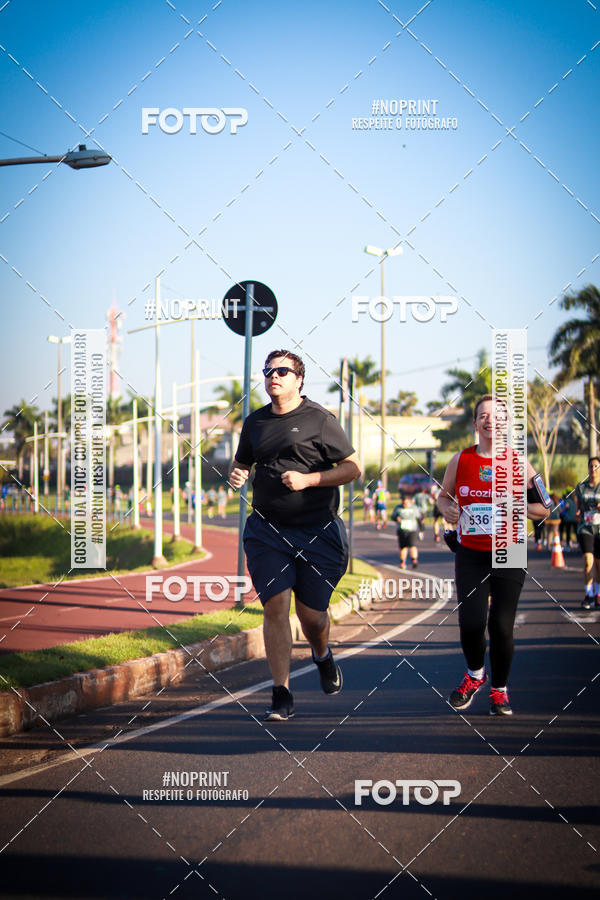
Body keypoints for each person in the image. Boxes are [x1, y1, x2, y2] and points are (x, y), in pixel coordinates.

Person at [229, 350, 361, 721]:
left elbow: (353, 467)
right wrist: (237, 474)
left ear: (299, 379)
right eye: (269, 371)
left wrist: (310, 479)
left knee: (312, 617)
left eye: (282, 371)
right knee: (275, 605)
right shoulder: (255, 423)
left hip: (318, 532)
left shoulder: (319, 420)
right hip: (267, 531)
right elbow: (242, 462)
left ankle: (322, 654)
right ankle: (280, 692)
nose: (274, 376)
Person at [437, 395, 550, 717]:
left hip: (510, 552)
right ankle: (475, 676)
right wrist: (449, 511)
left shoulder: (520, 463)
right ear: (476, 424)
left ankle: (499, 691)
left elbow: (545, 508)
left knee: (501, 626)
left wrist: (518, 507)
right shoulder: (461, 460)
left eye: (497, 415)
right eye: (483, 415)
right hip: (471, 552)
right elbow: (443, 498)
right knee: (471, 623)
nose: (490, 420)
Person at [576, 457, 600, 609]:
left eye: (596, 466)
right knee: (588, 562)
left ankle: (598, 594)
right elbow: (579, 508)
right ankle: (588, 595)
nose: (593, 469)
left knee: (598, 564)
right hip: (586, 527)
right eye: (591, 466)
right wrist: (578, 513)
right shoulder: (581, 487)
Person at [391, 495, 420, 569]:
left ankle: (414, 561)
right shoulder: (398, 508)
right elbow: (393, 516)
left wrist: (422, 529)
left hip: (412, 530)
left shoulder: (414, 508)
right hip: (402, 530)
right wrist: (396, 518)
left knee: (412, 545)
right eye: (403, 503)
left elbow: (419, 518)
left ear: (410, 502)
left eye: (406, 503)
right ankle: (402, 562)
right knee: (403, 547)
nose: (405, 504)